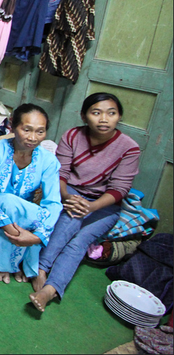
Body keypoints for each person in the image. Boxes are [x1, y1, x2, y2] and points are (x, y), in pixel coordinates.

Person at [30, 93, 140, 312]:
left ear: (119, 117)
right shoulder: (72, 135)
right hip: (70, 192)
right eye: (96, 113)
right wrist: (67, 197)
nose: (103, 119)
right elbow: (60, 173)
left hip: (105, 204)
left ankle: (50, 290)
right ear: (84, 115)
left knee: (79, 241)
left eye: (111, 113)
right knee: (70, 219)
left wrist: (91, 206)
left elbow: (119, 189)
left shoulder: (129, 148)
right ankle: (41, 269)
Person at [0, 104, 62, 284]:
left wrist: (36, 236)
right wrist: (9, 227)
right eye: (27, 129)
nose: (32, 138)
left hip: (21, 216)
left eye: (40, 132)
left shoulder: (49, 161)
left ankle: (17, 256)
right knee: (9, 201)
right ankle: (3, 262)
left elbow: (53, 202)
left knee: (44, 213)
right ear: (13, 127)